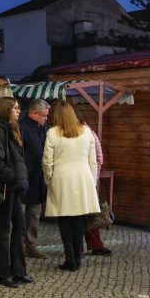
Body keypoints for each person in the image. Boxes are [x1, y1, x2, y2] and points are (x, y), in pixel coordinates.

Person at [43, 101, 99, 271]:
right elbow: (93, 161)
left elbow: (47, 162)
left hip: (61, 179)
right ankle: (77, 257)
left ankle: (70, 259)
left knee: (64, 221)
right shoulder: (87, 131)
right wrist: (92, 182)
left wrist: (49, 180)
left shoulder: (52, 133)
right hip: (83, 178)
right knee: (79, 221)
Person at [0, 97, 32, 288]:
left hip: (14, 188)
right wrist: (13, 177)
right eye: (15, 108)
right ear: (6, 110)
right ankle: (3, 274)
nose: (19, 111)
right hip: (5, 187)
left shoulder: (12, 129)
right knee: (4, 230)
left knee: (19, 227)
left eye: (19, 108)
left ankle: (19, 271)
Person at [19, 99, 50, 259]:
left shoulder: (42, 128)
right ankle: (17, 246)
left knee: (34, 215)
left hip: (38, 179)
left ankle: (30, 245)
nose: (46, 118)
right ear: (34, 113)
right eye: (44, 115)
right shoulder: (21, 127)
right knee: (20, 215)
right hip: (24, 178)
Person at [83, 120, 111, 257]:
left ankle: (93, 245)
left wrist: (93, 179)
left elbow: (98, 159)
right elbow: (99, 159)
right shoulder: (91, 133)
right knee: (89, 213)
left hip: (87, 180)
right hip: (89, 180)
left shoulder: (89, 134)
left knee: (88, 214)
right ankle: (96, 245)